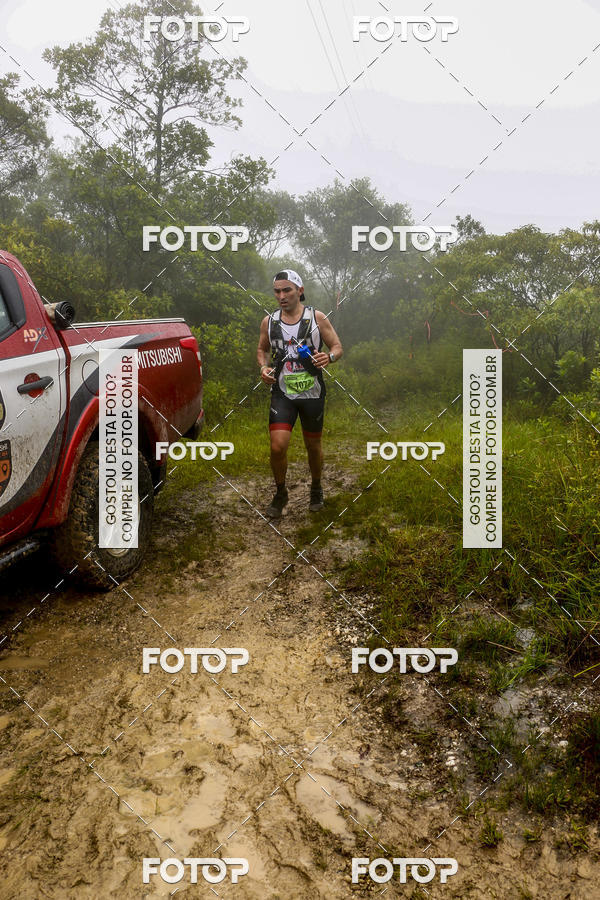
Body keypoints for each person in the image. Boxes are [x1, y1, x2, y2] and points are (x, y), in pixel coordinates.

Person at [257, 269, 343, 518]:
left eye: (287, 290)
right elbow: (261, 350)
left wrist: (330, 356)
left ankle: (316, 488)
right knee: (277, 447)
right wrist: (263, 367)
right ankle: (281, 492)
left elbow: (337, 346)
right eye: (277, 291)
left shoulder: (317, 318)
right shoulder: (269, 322)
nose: (281, 296)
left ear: (300, 291)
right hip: (282, 393)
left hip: (312, 392)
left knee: (313, 446)